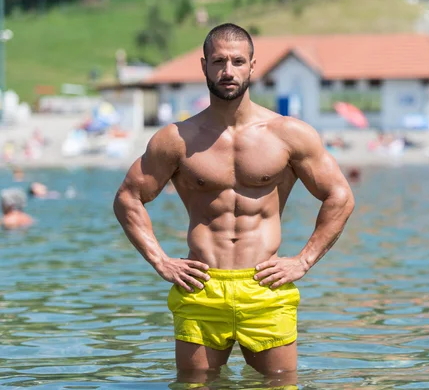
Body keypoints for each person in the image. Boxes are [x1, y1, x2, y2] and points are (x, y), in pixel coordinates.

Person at [113, 23, 355, 386]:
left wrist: (303, 260)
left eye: (237, 61)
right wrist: (161, 261)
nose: (228, 71)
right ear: (204, 66)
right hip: (201, 287)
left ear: (253, 67)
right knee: (194, 384)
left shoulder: (287, 134)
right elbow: (128, 198)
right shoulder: (177, 139)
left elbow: (340, 196)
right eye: (219, 61)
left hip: (265, 287)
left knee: (279, 384)